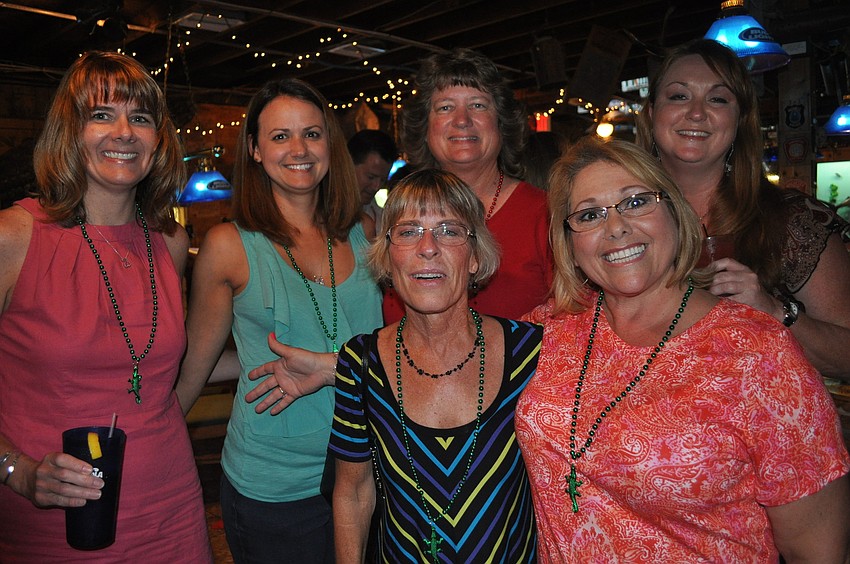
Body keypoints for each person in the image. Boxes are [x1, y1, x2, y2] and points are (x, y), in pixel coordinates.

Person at [515, 137, 850, 562]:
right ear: (569, 246)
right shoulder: (546, 331)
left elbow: (817, 551)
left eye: (636, 202)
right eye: (590, 214)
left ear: (677, 213)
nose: (616, 226)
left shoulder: (759, 354)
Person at [0, 51, 211, 560]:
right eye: (101, 115)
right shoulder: (14, 236)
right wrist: (16, 469)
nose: (124, 132)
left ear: (158, 139)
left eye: (140, 118)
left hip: (173, 509)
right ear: (69, 133)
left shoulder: (171, 241)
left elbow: (158, 367)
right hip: (54, 519)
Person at [175, 78, 382, 563]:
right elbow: (194, 367)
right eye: (279, 136)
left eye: (312, 133)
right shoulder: (229, 245)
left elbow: (393, 342)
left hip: (373, 472)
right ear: (254, 149)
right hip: (278, 488)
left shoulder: (366, 232)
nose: (299, 149)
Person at [635, 38, 850, 381]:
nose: (696, 112)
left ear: (739, 120)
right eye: (679, 96)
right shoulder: (620, 221)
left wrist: (774, 311)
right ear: (651, 113)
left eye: (718, 99)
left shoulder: (793, 222)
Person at [383, 47, 553, 322]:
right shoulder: (400, 219)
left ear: (501, 124)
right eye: (446, 107)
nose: (462, 121)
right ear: (425, 128)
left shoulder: (546, 215)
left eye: (478, 105)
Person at [347, 128, 398, 236]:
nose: (376, 186)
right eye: (371, 177)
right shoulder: (320, 212)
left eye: (383, 180)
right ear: (348, 165)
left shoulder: (381, 218)